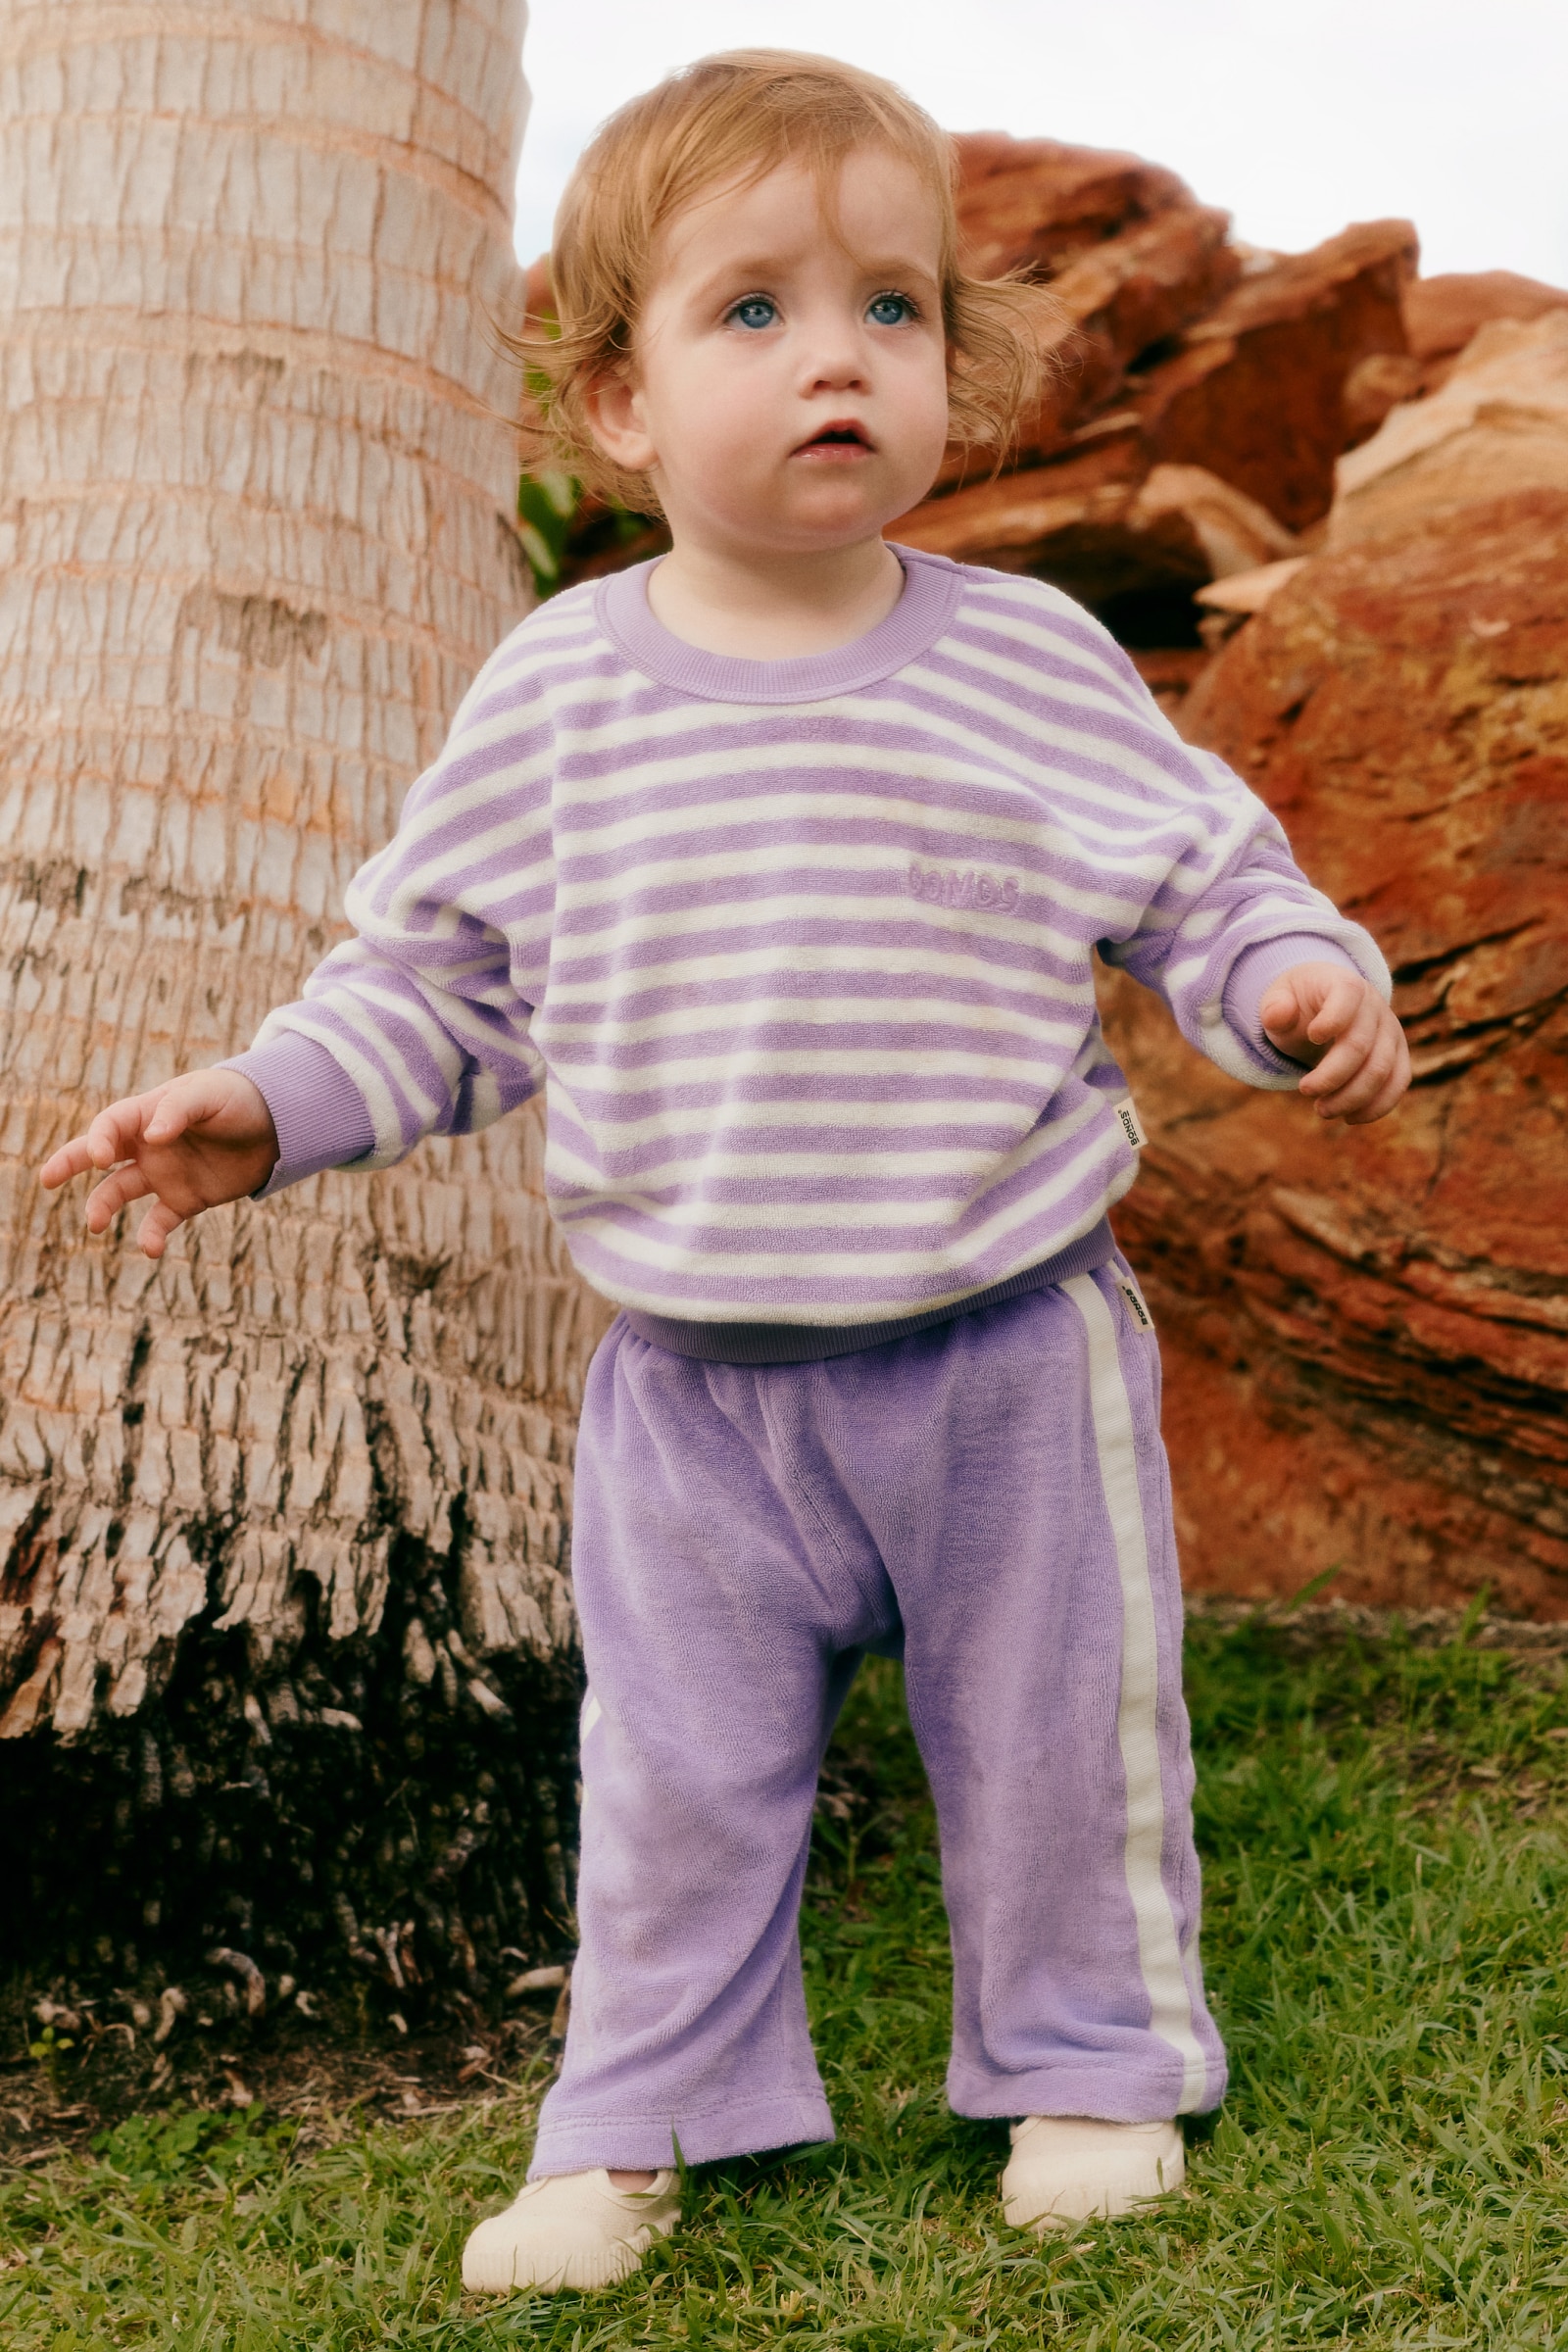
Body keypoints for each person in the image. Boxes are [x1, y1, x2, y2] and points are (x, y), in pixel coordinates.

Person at [41, 49, 1410, 2298]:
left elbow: (1203, 882)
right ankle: (640, 2120)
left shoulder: (1024, 664)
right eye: (750, 311)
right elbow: (443, 989)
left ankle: (1082, 2064)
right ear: (617, 397)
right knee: (673, 1789)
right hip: (688, 1396)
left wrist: (1289, 978)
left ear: (948, 361)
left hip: (1003, 1356)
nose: (832, 357)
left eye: (888, 306)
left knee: (1053, 1744)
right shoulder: (560, 696)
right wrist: (273, 1104)